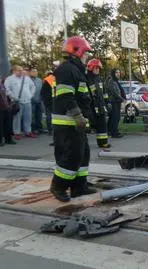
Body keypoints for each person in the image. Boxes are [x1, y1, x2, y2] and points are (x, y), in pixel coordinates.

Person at [49, 36, 96, 202]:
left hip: (77, 123)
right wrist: (77, 115)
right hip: (67, 122)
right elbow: (65, 95)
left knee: (83, 154)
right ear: (77, 52)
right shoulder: (67, 69)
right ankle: (58, 186)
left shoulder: (76, 70)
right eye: (86, 54)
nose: (87, 57)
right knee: (72, 155)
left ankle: (79, 187)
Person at [4, 65, 36, 139]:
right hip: (17, 102)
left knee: (28, 117)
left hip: (27, 101)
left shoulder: (27, 78)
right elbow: (7, 90)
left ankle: (28, 131)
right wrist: (13, 97)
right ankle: (17, 133)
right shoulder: (9, 79)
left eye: (22, 70)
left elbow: (33, 86)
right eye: (19, 70)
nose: (21, 71)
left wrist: (30, 95)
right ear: (14, 71)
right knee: (17, 118)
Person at [86, 59, 110, 149]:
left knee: (102, 125)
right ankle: (81, 144)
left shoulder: (100, 79)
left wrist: (107, 103)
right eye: (96, 68)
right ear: (91, 68)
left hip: (101, 107)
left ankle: (103, 143)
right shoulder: (86, 79)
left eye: (99, 68)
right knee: (87, 127)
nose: (98, 70)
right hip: (91, 107)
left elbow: (104, 93)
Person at [107, 68, 125, 138]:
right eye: (116, 72)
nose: (118, 74)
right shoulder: (111, 81)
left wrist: (122, 98)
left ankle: (110, 131)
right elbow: (115, 93)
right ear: (113, 73)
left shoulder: (116, 81)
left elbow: (119, 91)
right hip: (113, 101)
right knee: (115, 117)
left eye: (119, 72)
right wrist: (122, 99)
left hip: (117, 101)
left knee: (113, 117)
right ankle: (114, 133)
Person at [0, 77, 16, 146]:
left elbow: (6, 94)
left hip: (6, 107)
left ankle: (8, 139)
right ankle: (1, 140)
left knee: (7, 123)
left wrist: (10, 103)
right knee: (1, 124)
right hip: (1, 107)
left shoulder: (2, 85)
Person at [29, 67, 44, 134]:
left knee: (39, 115)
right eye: (34, 71)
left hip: (39, 100)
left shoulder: (39, 80)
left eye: (36, 71)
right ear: (30, 73)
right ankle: (33, 129)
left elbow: (41, 90)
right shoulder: (28, 80)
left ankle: (40, 128)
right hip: (31, 101)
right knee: (32, 116)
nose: (35, 73)